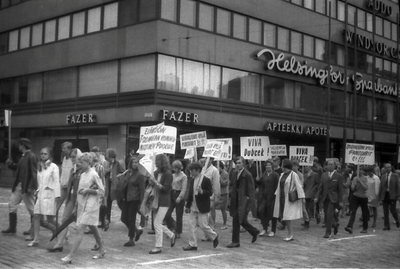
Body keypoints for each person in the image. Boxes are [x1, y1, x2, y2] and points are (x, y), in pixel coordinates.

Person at [61, 153, 106, 264]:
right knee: (93, 227)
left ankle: (70, 256)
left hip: (91, 206)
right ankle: (102, 249)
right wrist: (76, 206)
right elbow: (79, 192)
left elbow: (102, 191)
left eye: (82, 162)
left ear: (88, 162)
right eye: (79, 162)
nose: (80, 164)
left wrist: (88, 191)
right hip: (82, 205)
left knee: (80, 229)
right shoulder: (82, 175)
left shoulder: (94, 174)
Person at [2, 138, 38, 240]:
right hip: (19, 185)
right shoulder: (24, 156)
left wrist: (31, 186)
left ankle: (33, 229)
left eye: (20, 145)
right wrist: (11, 165)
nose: (19, 147)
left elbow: (34, 173)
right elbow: (19, 168)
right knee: (12, 205)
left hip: (26, 186)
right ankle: (12, 227)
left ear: (22, 145)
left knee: (31, 209)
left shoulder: (31, 156)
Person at [48, 148, 82, 252]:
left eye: (74, 157)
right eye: (71, 157)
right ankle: (59, 244)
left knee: (86, 225)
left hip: (81, 199)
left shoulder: (84, 169)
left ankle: (100, 244)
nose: (72, 159)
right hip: (71, 197)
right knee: (65, 220)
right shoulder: (73, 169)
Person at [182, 162, 219, 251]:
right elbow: (191, 194)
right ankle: (192, 244)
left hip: (202, 206)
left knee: (203, 225)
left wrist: (202, 191)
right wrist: (187, 205)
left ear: (198, 170)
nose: (191, 172)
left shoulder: (205, 180)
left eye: (192, 170)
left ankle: (214, 236)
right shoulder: (192, 180)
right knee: (192, 226)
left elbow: (210, 192)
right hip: (193, 206)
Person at [28, 147, 60, 247]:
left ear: (50, 155)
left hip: (49, 194)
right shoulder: (39, 166)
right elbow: (38, 180)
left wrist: (57, 195)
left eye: (45, 154)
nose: (43, 155)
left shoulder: (54, 166)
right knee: (36, 216)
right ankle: (36, 239)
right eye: (41, 153)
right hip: (40, 194)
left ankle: (64, 231)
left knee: (50, 219)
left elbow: (56, 181)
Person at [226, 156, 259, 248]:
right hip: (235, 199)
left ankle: (235, 241)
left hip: (244, 201)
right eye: (236, 163)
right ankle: (254, 231)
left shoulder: (247, 175)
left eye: (239, 163)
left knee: (236, 220)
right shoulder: (235, 173)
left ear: (243, 164)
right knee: (242, 220)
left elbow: (251, 189)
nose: (237, 164)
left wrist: (250, 202)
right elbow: (232, 185)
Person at [148, 154, 175, 254]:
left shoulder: (168, 174)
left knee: (157, 223)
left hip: (164, 201)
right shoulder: (156, 173)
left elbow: (166, 189)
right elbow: (153, 185)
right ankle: (171, 235)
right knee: (157, 224)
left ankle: (158, 246)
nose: (155, 164)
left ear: (162, 162)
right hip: (156, 200)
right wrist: (151, 182)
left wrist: (155, 182)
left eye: (157, 162)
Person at [273, 159, 305, 241]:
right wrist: (276, 194)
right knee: (285, 216)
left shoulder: (293, 175)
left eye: (282, 165)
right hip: (281, 198)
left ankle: (290, 234)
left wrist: (302, 197)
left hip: (288, 199)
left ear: (285, 166)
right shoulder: (282, 174)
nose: (281, 167)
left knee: (288, 217)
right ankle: (289, 233)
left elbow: (299, 186)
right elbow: (279, 186)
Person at [117, 156, 145, 247]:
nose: (134, 164)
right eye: (133, 162)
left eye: (136, 162)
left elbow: (142, 190)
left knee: (131, 219)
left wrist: (141, 203)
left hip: (134, 199)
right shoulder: (128, 173)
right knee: (123, 218)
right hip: (126, 198)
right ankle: (136, 231)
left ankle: (131, 239)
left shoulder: (139, 175)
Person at [315, 159, 343, 238]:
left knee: (329, 214)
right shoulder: (323, 175)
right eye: (328, 164)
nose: (330, 166)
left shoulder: (338, 176)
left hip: (333, 198)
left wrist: (340, 201)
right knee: (327, 214)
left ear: (334, 166)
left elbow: (340, 189)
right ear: (326, 166)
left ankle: (328, 232)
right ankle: (335, 224)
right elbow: (320, 187)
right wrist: (317, 196)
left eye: (331, 164)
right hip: (325, 197)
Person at [165, 160, 188, 239]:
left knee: (179, 215)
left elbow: (184, 188)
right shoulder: (172, 175)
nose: (175, 169)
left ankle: (178, 231)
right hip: (172, 194)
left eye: (176, 168)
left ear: (180, 167)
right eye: (174, 168)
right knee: (167, 213)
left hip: (179, 194)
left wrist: (180, 197)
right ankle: (172, 226)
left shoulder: (184, 176)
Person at [256, 160, 279, 237]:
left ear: (272, 166)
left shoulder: (275, 175)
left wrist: (276, 195)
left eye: (269, 165)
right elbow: (261, 184)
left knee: (272, 214)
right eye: (266, 165)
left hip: (272, 197)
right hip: (264, 196)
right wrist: (258, 181)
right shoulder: (264, 174)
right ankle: (265, 228)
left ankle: (273, 230)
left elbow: (277, 186)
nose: (267, 167)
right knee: (260, 210)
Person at [344, 166, 369, 234]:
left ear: (362, 171)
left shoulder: (365, 178)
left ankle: (365, 228)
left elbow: (366, 188)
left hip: (363, 197)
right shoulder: (355, 178)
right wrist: (355, 186)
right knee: (353, 211)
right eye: (357, 170)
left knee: (364, 213)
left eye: (360, 170)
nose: (359, 171)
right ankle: (349, 226)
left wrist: (360, 182)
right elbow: (352, 189)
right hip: (355, 196)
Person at [104, 148, 124, 227]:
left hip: (115, 186)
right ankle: (107, 220)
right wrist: (107, 171)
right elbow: (103, 173)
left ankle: (126, 216)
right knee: (108, 202)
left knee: (120, 203)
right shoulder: (106, 163)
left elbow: (123, 172)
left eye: (107, 154)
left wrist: (119, 177)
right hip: (108, 185)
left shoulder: (117, 163)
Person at [199, 158, 220, 231]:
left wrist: (217, 195)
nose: (205, 162)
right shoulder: (202, 169)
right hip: (202, 194)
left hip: (211, 194)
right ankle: (208, 231)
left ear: (211, 160)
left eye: (207, 160)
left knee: (210, 212)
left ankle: (212, 229)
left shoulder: (214, 170)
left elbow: (216, 184)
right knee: (205, 214)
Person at [378, 163, 400, 230]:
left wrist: (398, 195)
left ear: (391, 168)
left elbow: (398, 186)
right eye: (386, 167)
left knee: (392, 210)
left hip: (392, 195)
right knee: (385, 211)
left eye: (389, 167)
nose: (387, 169)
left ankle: (397, 220)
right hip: (385, 195)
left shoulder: (395, 176)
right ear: (384, 168)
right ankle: (386, 225)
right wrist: (379, 197)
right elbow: (381, 187)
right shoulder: (383, 176)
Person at [59, 142, 73, 208]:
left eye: (64, 148)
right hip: (63, 185)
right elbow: (63, 171)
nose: (62, 150)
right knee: (57, 203)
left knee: (68, 204)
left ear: (69, 149)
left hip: (70, 186)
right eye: (62, 148)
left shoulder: (72, 159)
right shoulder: (64, 158)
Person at [218, 161, 230, 230]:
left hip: (224, 193)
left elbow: (225, 184)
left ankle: (225, 223)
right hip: (218, 193)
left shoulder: (225, 174)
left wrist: (220, 178)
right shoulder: (216, 173)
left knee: (223, 209)